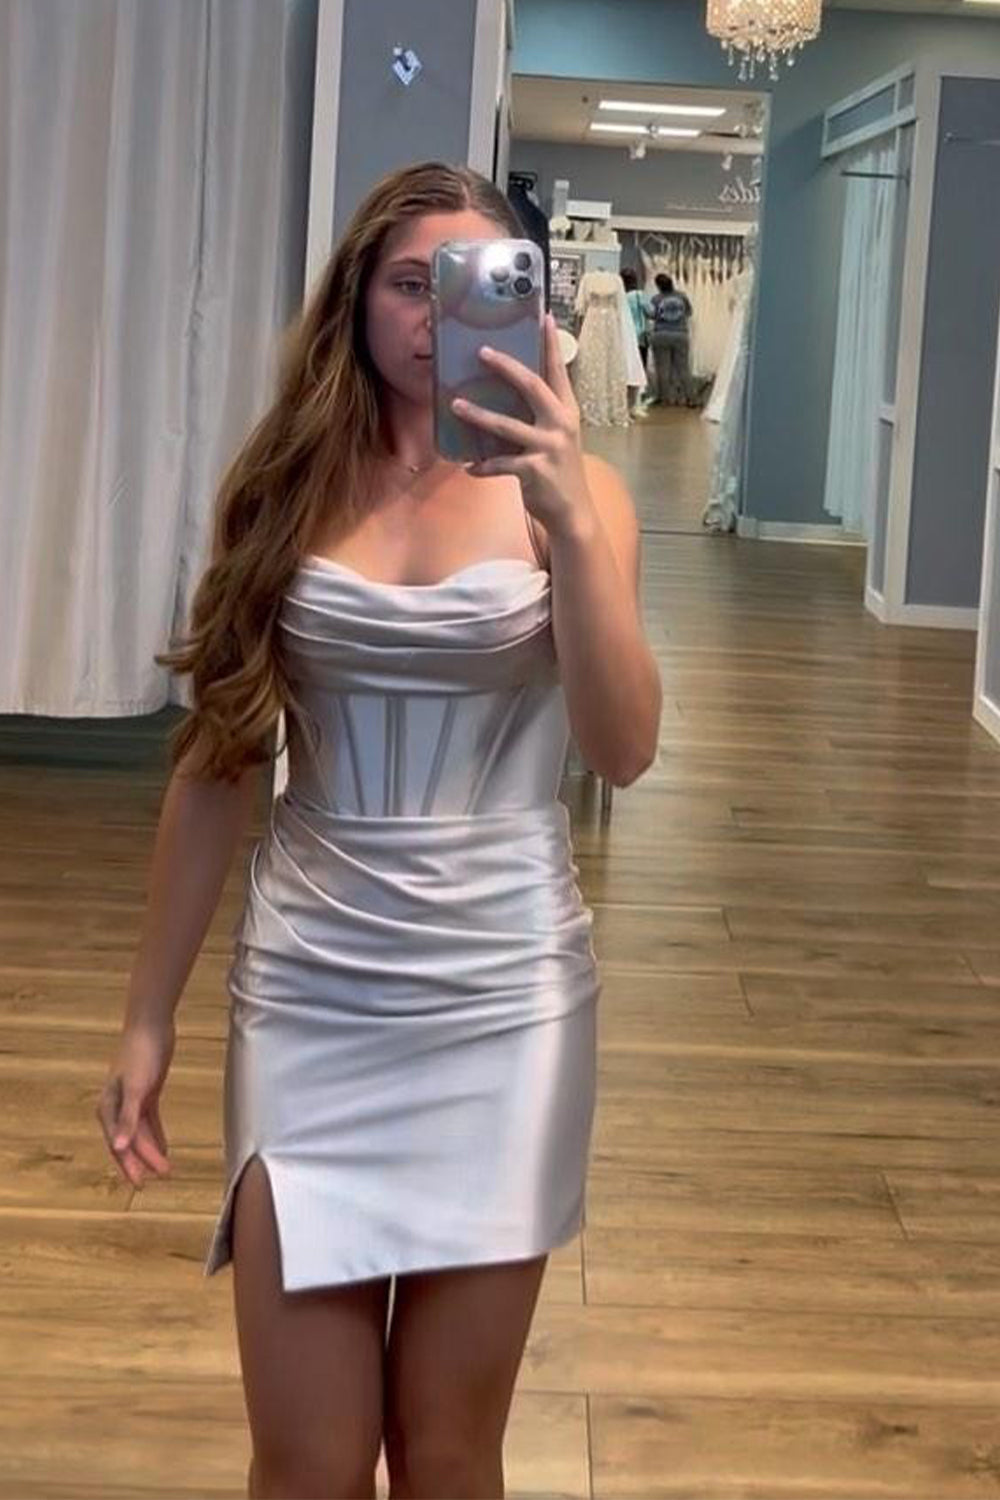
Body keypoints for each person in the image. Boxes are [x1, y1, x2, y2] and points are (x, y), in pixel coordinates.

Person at [95, 161, 662, 1500]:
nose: (432, 316)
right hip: (310, 992)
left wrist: (569, 521)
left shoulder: (580, 497)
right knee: (306, 1461)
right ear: (354, 300)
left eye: (469, 287)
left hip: (504, 998)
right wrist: (146, 1016)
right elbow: (220, 760)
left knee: (450, 1455)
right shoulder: (282, 488)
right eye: (410, 283)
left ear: (526, 306)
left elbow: (623, 750)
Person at [649, 272, 694, 406]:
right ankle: (690, 397)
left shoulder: (655, 299)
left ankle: (663, 398)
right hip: (680, 334)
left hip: (661, 334)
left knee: (662, 368)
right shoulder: (682, 296)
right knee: (683, 368)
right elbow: (689, 312)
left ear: (658, 286)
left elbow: (652, 315)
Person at [620, 267, 653, 416]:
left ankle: (624, 403)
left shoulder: (621, 296)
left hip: (624, 337)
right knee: (639, 369)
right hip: (639, 336)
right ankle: (636, 403)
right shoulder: (639, 295)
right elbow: (650, 312)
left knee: (626, 369)